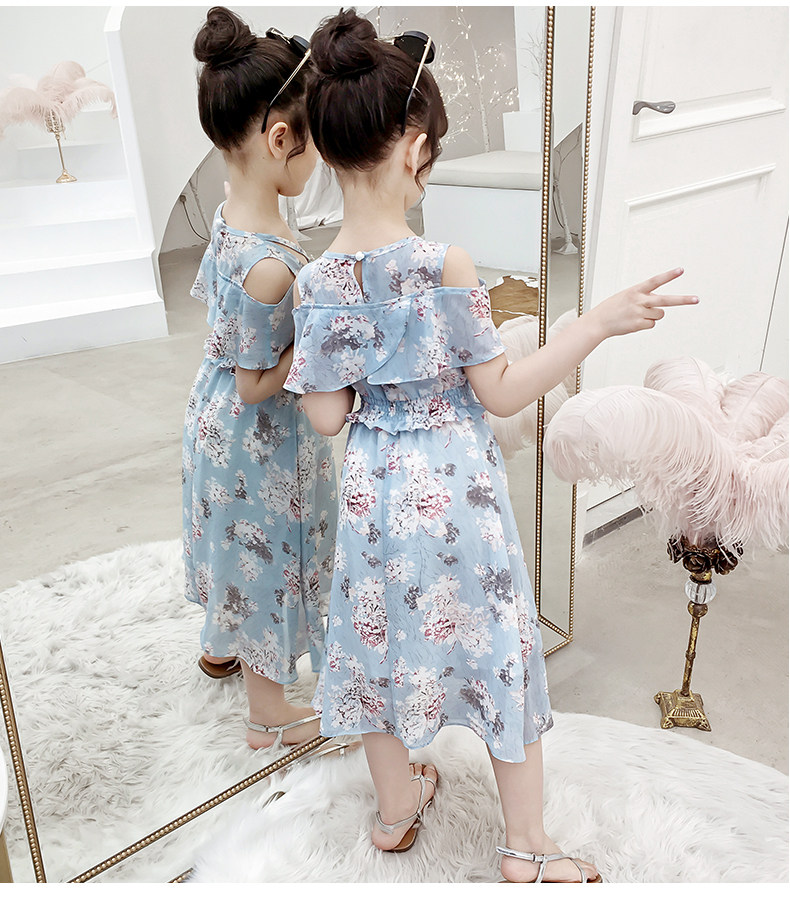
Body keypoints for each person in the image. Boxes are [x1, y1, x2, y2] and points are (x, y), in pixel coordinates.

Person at [283, 8, 700, 882]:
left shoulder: (315, 280)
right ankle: (526, 844)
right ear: (414, 151)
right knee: (499, 650)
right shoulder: (445, 264)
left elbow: (325, 417)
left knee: (376, 645)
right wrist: (593, 322)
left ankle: (396, 809)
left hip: (372, 496)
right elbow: (503, 391)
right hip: (457, 495)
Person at [182, 7, 337, 751]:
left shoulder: (232, 214)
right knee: (268, 556)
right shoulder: (271, 263)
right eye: (314, 141)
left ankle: (225, 644)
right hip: (257, 437)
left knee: (238, 551)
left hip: (216, 417)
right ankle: (268, 709)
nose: (318, 158)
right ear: (280, 140)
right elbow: (254, 382)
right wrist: (312, 343)